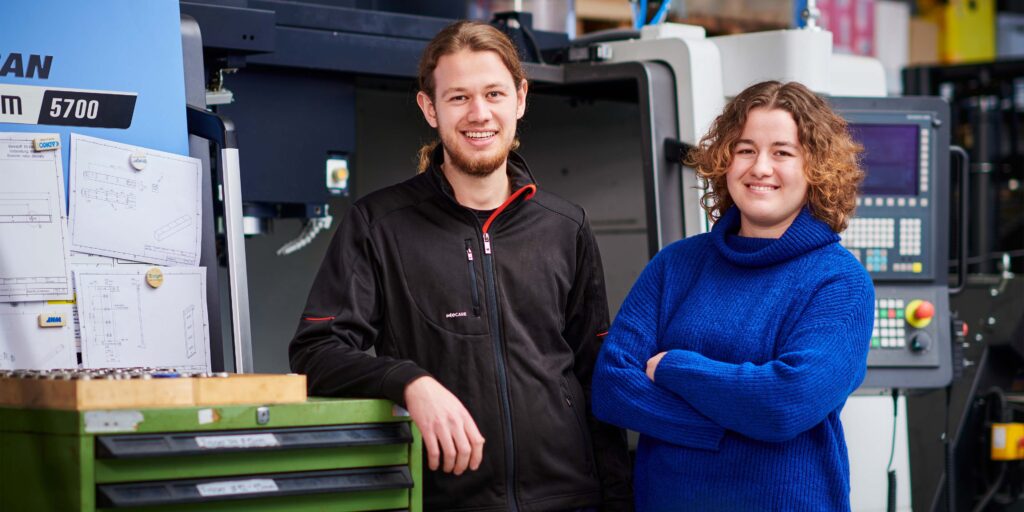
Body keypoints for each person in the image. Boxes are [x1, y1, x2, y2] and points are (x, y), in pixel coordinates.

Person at [289, 20, 632, 512]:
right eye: (458, 98)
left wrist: (618, 500)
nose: (479, 114)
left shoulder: (565, 226)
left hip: (567, 498)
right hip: (445, 500)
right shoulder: (379, 224)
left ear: (520, 98)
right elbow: (315, 350)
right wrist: (410, 381)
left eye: (494, 93)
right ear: (429, 108)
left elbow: (595, 374)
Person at [591, 80, 874, 511]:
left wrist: (673, 366)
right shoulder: (677, 264)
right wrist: (727, 426)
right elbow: (612, 385)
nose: (760, 167)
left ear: (815, 167)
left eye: (782, 152)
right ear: (725, 160)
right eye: (745, 150)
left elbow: (785, 403)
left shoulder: (838, 282)